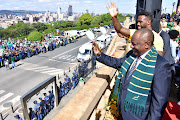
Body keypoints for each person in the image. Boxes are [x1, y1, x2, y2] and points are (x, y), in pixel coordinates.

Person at [93, 28, 171, 120]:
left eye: (134, 44)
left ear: (147, 45)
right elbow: (117, 63)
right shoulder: (132, 55)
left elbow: (159, 103)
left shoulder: (161, 66)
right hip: (122, 111)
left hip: (138, 116)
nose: (131, 47)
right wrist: (99, 55)